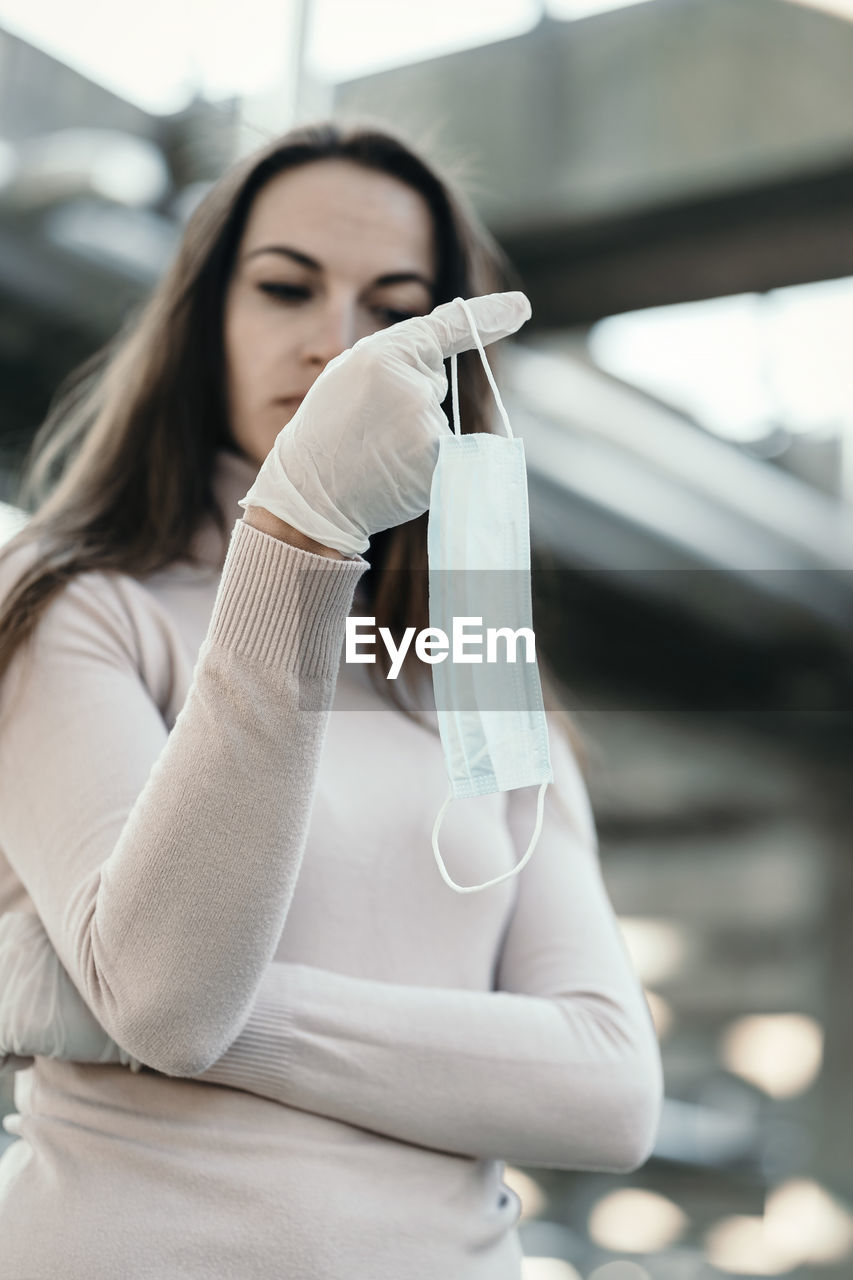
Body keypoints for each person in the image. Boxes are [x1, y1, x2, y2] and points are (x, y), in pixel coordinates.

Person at [0, 120, 663, 1279]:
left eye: (394, 306)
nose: (337, 343)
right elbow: (166, 994)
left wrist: (88, 994)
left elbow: (606, 1085)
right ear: (206, 317)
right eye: (285, 286)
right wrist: (301, 529)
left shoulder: (485, 678)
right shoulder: (77, 601)